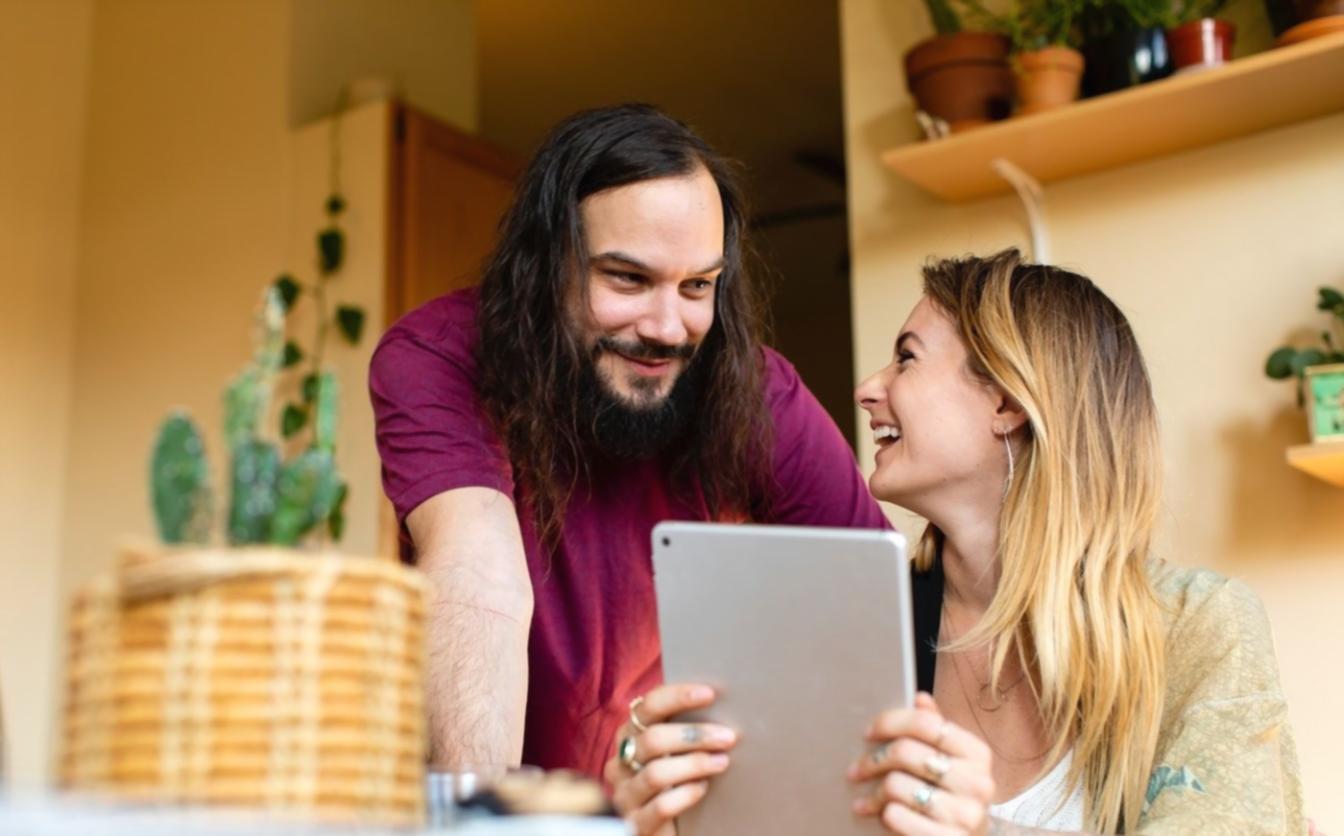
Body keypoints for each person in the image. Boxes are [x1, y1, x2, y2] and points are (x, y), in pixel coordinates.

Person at [608, 250, 1306, 835]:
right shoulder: (850, 634)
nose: (867, 390)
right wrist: (667, 814)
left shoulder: (1202, 630)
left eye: (906, 359)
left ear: (1006, 399)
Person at [368, 104, 888, 779]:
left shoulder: (758, 392)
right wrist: (485, 819)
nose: (668, 327)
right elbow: (477, 576)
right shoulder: (439, 355)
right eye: (628, 279)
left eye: (697, 286)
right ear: (548, 263)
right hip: (498, 806)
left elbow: (866, 599)